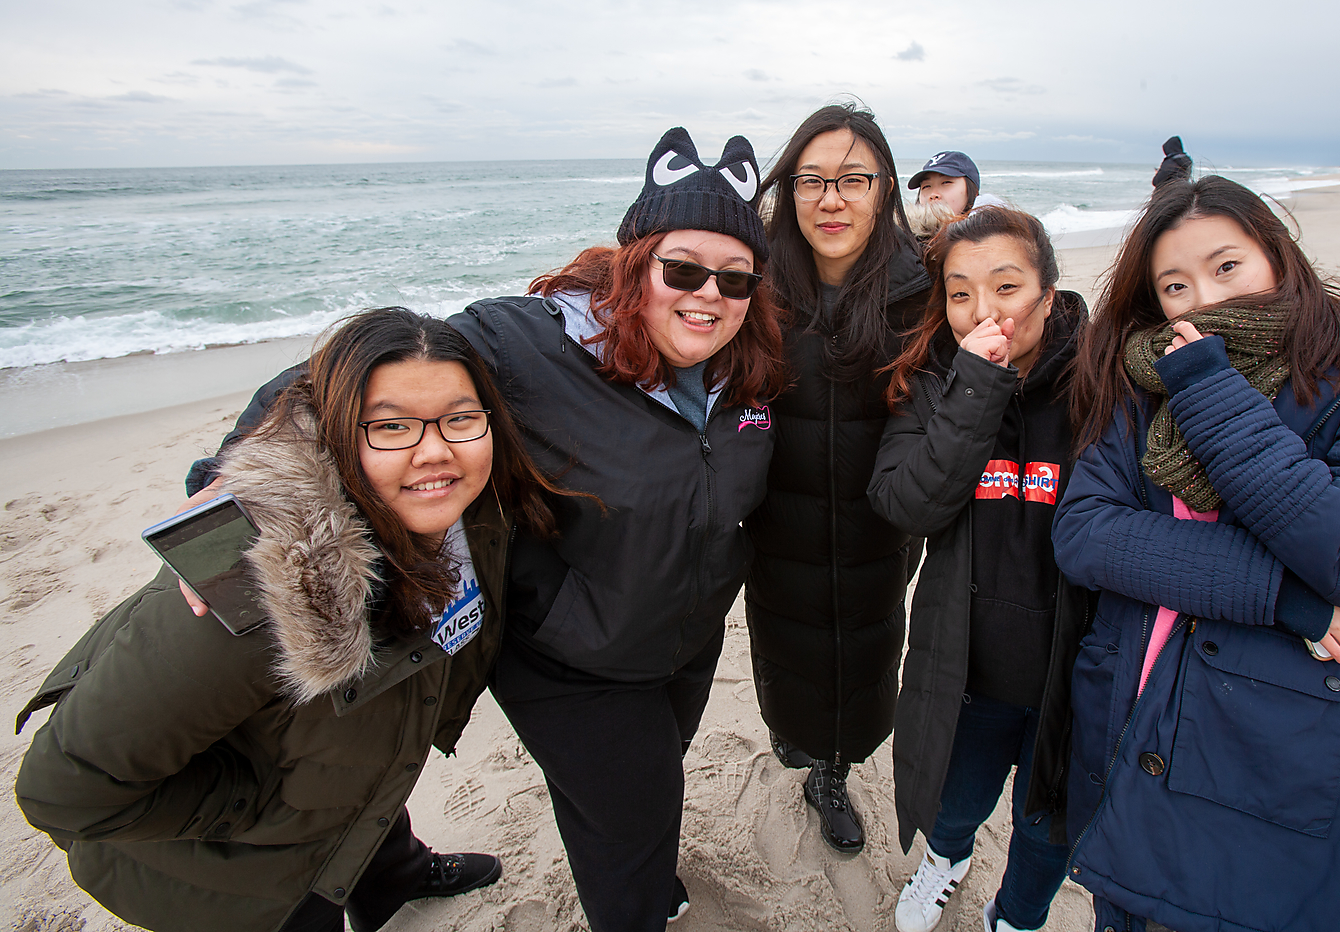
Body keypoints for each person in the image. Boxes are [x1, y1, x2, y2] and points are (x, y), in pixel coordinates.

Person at [179, 127, 786, 932]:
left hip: (683, 639)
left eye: (735, 278)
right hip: (569, 657)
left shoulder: (746, 368)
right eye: (682, 269)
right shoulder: (530, 346)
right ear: (636, 262)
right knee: (635, 822)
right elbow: (347, 374)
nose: (709, 294)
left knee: (638, 785)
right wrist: (233, 485)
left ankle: (625, 856)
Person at [1052, 175, 1340, 932]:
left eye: (1227, 266)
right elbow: (1087, 533)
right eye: (1175, 285)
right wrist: (1289, 597)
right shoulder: (1141, 378)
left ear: (1276, 253)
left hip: (1280, 750)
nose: (1203, 299)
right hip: (1135, 711)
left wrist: (1212, 393)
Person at [15, 307, 567, 932]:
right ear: (333, 434)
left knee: (352, 767)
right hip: (251, 885)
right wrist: (266, 805)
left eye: (460, 419)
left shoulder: (471, 514)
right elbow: (62, 791)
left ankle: (394, 873)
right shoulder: (250, 591)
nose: (435, 452)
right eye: (390, 427)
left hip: (345, 784)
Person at [869, 207, 1089, 932]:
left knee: (1047, 821)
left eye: (1006, 286)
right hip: (970, 667)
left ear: (1048, 295)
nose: (982, 310)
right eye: (960, 292)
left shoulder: (1101, 385)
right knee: (955, 800)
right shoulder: (935, 383)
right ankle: (946, 862)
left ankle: (1019, 915)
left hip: (1073, 668)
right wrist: (974, 387)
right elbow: (906, 504)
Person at [743, 102, 931, 852]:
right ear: (788, 190)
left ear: (883, 190)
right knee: (784, 651)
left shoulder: (921, 295)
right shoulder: (751, 287)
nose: (831, 199)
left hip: (876, 532)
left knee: (861, 662)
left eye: (853, 179)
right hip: (776, 530)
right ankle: (794, 736)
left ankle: (833, 771)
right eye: (811, 179)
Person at [905, 150, 981, 238]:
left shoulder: (989, 239)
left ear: (973, 191)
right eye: (926, 186)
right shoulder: (903, 240)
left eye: (946, 182)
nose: (933, 194)